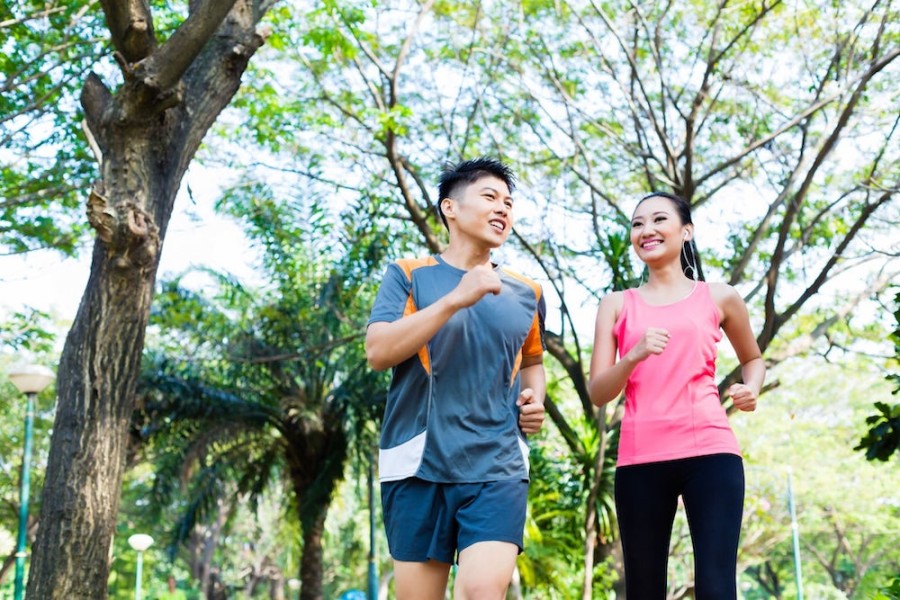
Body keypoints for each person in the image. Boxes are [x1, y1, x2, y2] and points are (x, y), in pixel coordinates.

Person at [366, 157, 547, 600]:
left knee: (480, 592)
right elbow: (379, 351)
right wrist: (455, 298)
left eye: (509, 202)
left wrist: (534, 400)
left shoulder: (528, 291)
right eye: (489, 197)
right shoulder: (408, 275)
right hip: (417, 465)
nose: (503, 209)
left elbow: (532, 360)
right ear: (450, 208)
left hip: (498, 464)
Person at [588, 192, 765, 599]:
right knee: (644, 589)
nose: (646, 230)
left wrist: (750, 388)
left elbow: (753, 359)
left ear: (686, 231)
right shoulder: (615, 305)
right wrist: (632, 355)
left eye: (658, 220)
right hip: (640, 458)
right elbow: (599, 392)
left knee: (717, 588)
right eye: (637, 224)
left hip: (711, 452)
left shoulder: (720, 297)